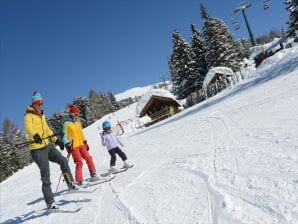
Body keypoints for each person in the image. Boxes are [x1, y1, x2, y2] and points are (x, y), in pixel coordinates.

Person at [24, 91, 76, 210]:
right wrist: (35, 136)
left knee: (63, 160)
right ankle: (50, 202)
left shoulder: (42, 115)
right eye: (38, 103)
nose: (40, 106)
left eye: (41, 103)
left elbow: (47, 130)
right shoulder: (28, 115)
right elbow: (28, 128)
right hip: (37, 150)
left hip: (48, 146)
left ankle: (70, 183)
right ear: (34, 103)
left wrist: (56, 140)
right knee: (45, 174)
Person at [62, 104, 98, 185]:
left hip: (81, 144)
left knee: (88, 158)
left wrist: (85, 142)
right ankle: (79, 181)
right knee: (79, 162)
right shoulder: (66, 124)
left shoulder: (78, 123)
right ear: (72, 114)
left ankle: (93, 174)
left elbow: (81, 133)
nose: (77, 116)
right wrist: (67, 144)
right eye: (76, 114)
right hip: (73, 146)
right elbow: (64, 135)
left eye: (78, 114)